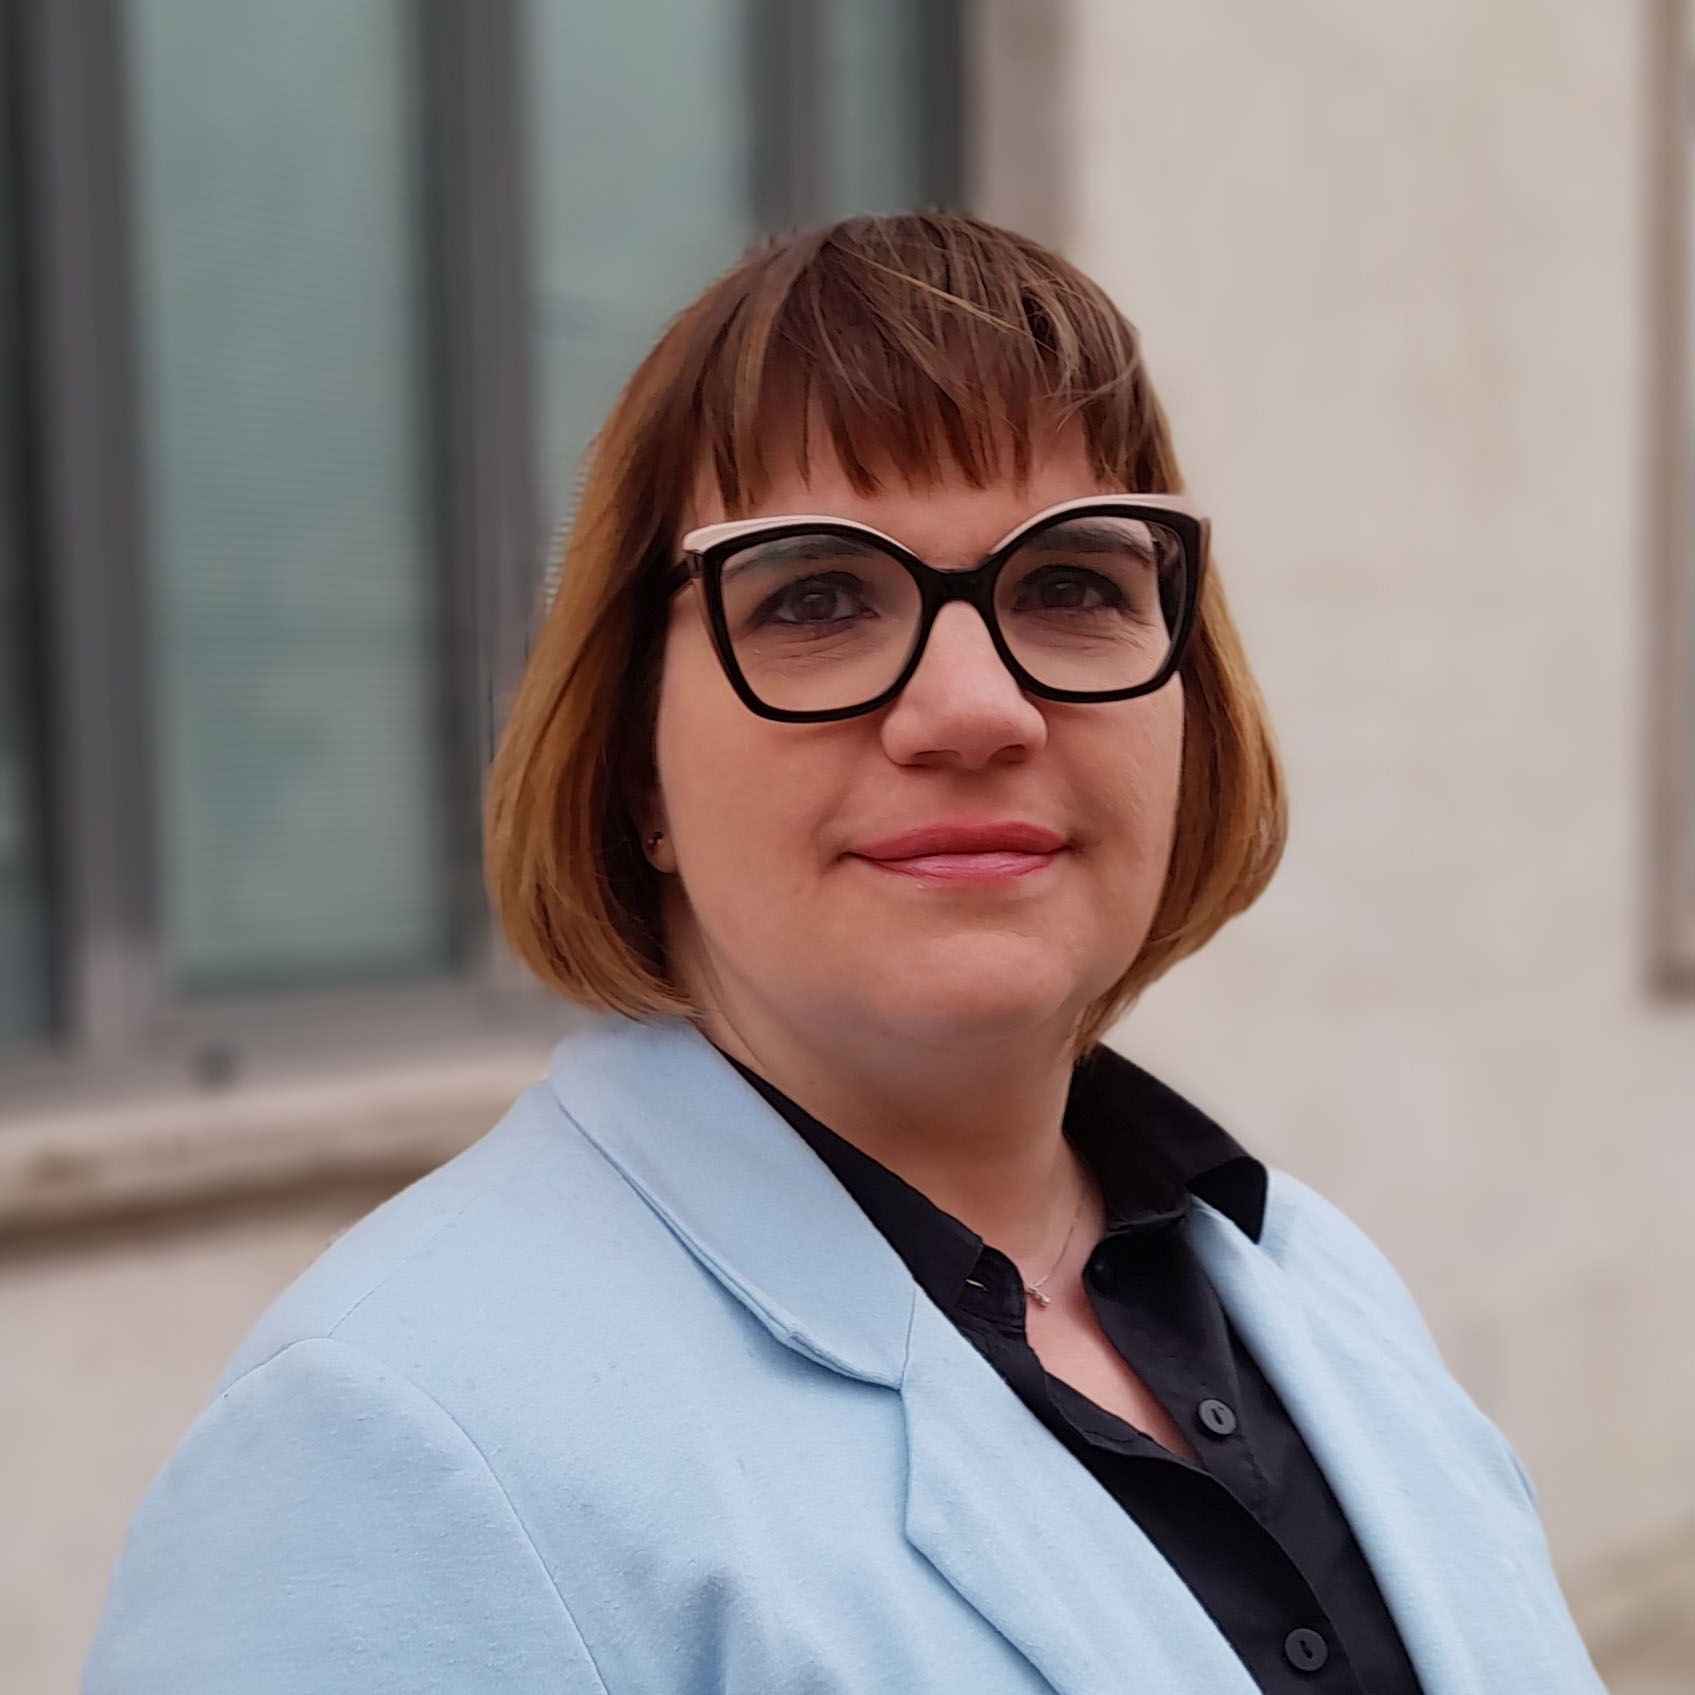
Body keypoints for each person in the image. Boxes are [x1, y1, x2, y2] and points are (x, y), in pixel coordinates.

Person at [83, 213, 1604, 1694]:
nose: (976, 710)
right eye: (815, 598)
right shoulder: (389, 1445)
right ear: (634, 768)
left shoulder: (1312, 1282)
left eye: (1073, 584)